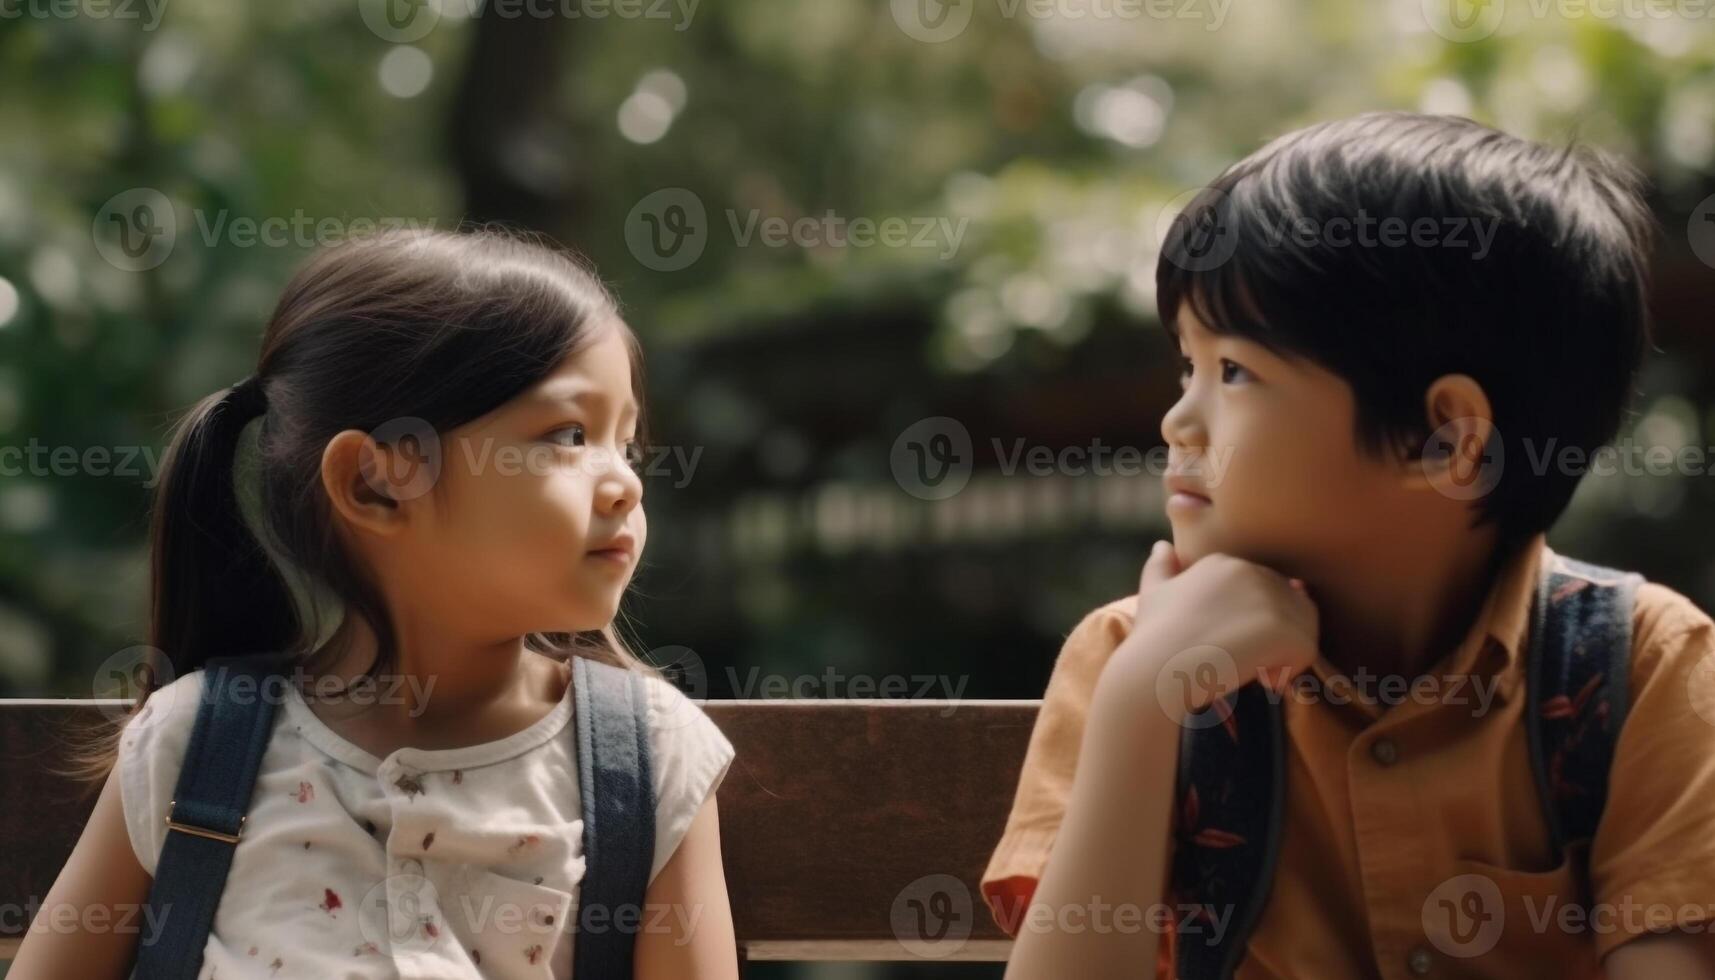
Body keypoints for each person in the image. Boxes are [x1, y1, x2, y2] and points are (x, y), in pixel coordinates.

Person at [986, 112, 1715, 978]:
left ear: (1443, 442)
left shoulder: (1639, 670)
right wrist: (1144, 698)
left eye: (1234, 373)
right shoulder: (1126, 657)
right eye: (1188, 363)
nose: (1177, 420)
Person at [13, 227, 740, 979]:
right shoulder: (195, 745)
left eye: (626, 443)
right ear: (374, 483)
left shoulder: (646, 761)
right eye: (568, 433)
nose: (625, 482)